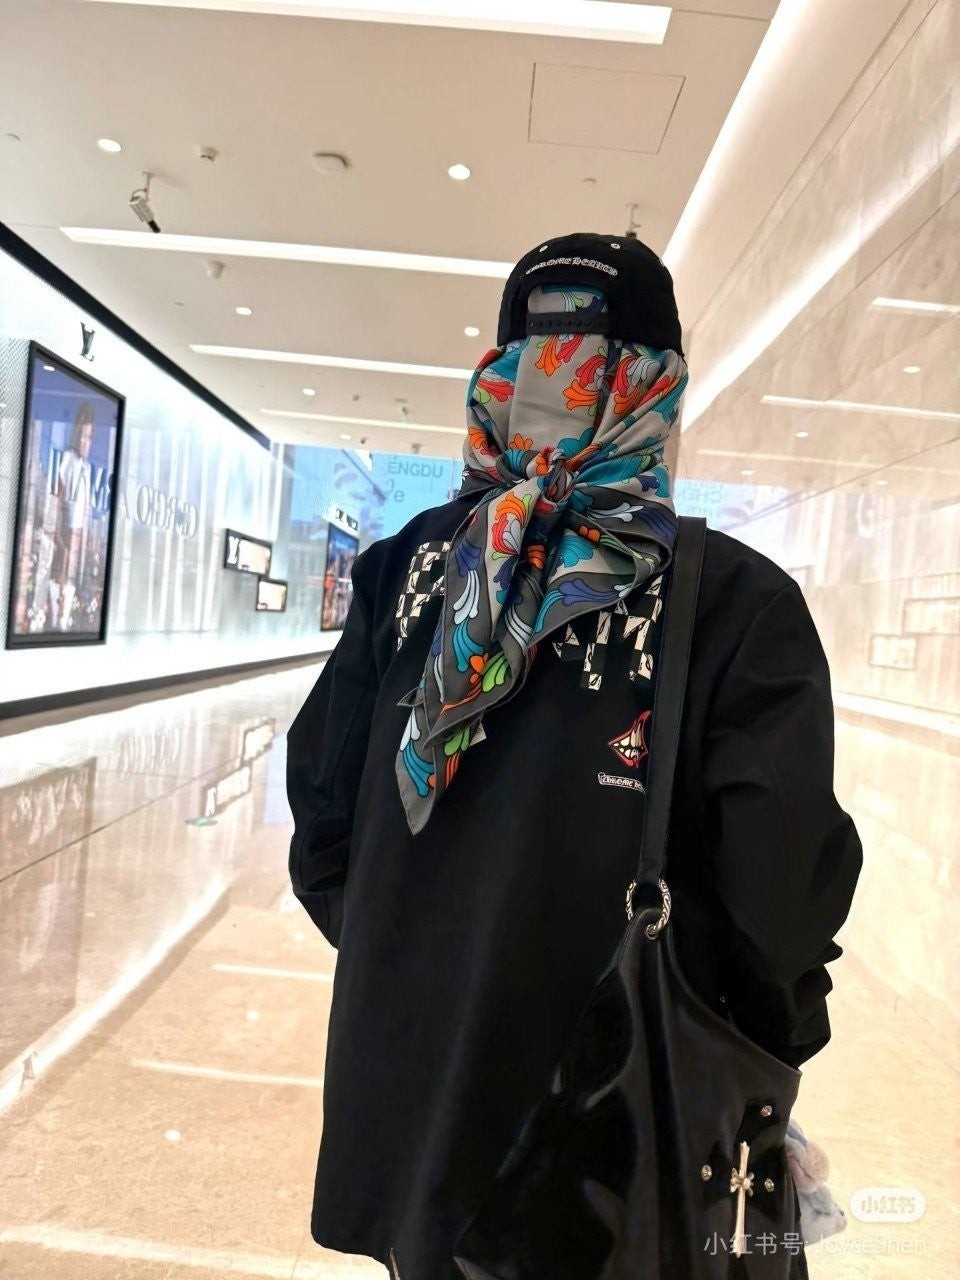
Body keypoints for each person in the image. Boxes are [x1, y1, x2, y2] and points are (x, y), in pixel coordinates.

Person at [287, 233, 863, 1280]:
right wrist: (762, 1036)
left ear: (503, 380)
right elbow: (781, 897)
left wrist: (432, 956)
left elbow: (326, 833)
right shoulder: (733, 602)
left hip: (417, 1113)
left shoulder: (402, 574)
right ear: (659, 388)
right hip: (622, 1131)